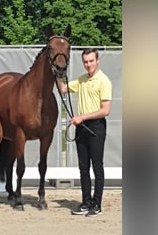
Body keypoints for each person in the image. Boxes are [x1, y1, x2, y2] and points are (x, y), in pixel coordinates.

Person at [56, 48, 112, 217]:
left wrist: (82, 117)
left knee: (97, 167)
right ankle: (86, 202)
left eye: (91, 61)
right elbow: (63, 89)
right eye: (85, 62)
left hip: (96, 127)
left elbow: (106, 110)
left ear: (97, 61)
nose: (88, 65)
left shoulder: (104, 81)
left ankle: (97, 203)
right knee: (83, 168)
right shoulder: (81, 80)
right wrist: (59, 73)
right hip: (82, 128)